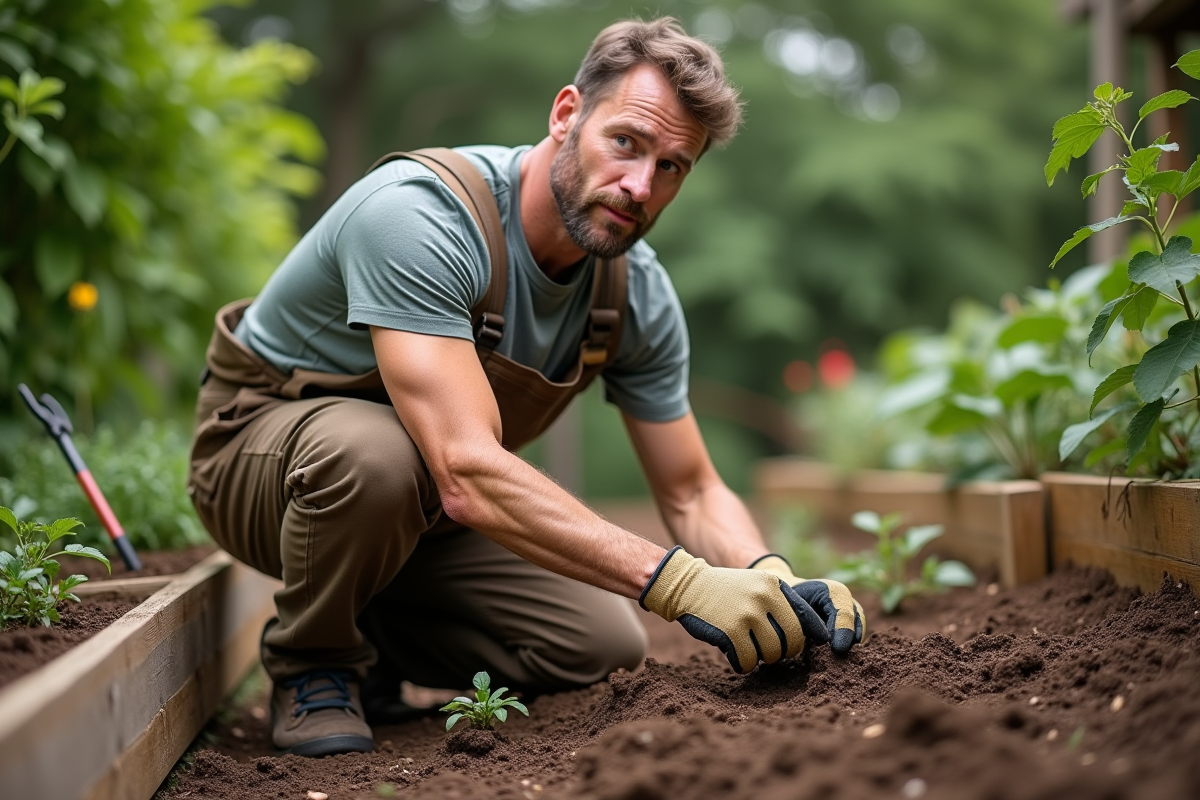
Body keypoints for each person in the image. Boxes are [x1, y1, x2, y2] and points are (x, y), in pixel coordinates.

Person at [187, 16, 865, 758]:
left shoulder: (634, 295)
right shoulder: (420, 215)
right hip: (260, 462)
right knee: (375, 456)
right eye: (626, 143)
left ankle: (369, 631)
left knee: (601, 646)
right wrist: (681, 584)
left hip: (421, 513)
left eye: (672, 166)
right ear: (567, 114)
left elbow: (692, 491)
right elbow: (468, 469)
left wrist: (771, 578)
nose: (640, 185)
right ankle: (313, 661)